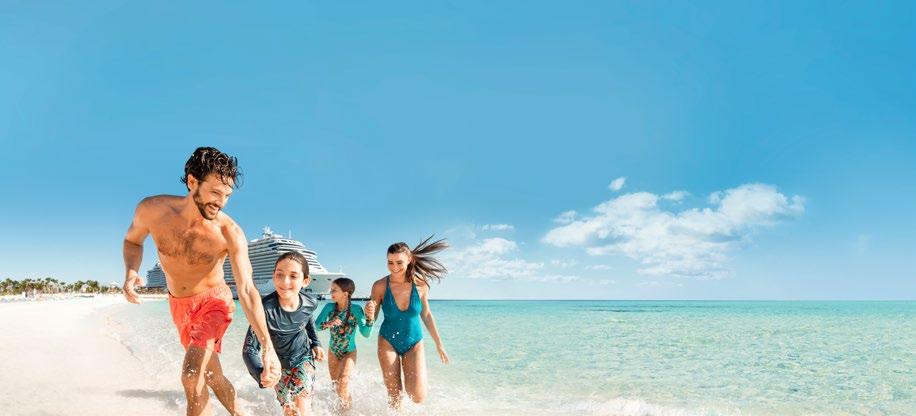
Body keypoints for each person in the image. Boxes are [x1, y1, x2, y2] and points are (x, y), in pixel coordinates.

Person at [122, 146, 281, 416]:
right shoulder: (152, 210)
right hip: (179, 306)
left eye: (227, 195)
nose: (222, 202)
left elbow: (246, 289)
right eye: (216, 192)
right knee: (211, 376)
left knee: (191, 375)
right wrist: (130, 272)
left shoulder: (229, 232)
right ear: (192, 182)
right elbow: (132, 241)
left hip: (214, 303)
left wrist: (267, 346)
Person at [366, 236, 450, 408]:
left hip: (414, 342)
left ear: (409, 260)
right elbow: (371, 319)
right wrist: (369, 314)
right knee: (394, 395)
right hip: (388, 341)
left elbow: (426, 314)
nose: (394, 267)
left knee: (418, 397)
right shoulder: (380, 286)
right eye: (390, 262)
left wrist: (439, 344)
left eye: (399, 262)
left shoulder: (421, 285)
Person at [242, 252, 325, 416]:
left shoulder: (310, 302)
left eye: (293, 276)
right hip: (278, 366)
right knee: (289, 410)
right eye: (280, 275)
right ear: (273, 276)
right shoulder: (264, 310)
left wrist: (316, 342)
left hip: (303, 358)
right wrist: (260, 374)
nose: (285, 281)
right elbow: (249, 349)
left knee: (303, 406)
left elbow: (307, 318)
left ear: (305, 281)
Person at [314, 278, 373, 410]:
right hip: (333, 351)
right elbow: (316, 326)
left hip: (349, 352)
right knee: (336, 386)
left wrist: (370, 319)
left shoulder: (356, 309)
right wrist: (329, 323)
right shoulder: (329, 307)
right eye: (331, 290)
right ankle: (340, 410)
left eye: (334, 290)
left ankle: (346, 412)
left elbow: (366, 333)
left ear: (345, 294)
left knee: (344, 382)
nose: (331, 293)